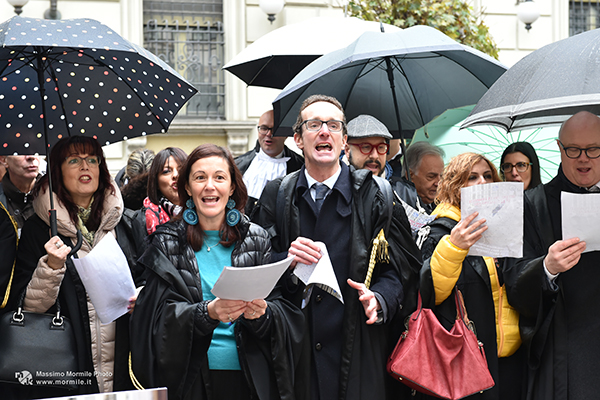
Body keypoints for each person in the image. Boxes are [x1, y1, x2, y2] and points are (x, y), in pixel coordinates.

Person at [252, 94, 422, 400]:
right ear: (297, 139)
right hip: (296, 354)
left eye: (333, 125)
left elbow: (402, 270)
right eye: (314, 124)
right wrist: (286, 260)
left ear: (344, 141)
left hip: (359, 351)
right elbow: (257, 265)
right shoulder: (276, 195)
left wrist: (380, 299)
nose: (324, 131)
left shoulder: (378, 195)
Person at [130, 144, 304, 400]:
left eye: (219, 177)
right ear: (187, 188)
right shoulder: (166, 241)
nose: (210, 186)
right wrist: (207, 313)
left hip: (249, 377)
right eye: (200, 177)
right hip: (191, 378)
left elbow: (281, 309)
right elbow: (154, 319)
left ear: (232, 186)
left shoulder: (256, 238)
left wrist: (264, 314)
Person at [8, 136, 143, 398]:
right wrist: (51, 266)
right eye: (74, 160)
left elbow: (150, 282)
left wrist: (143, 296)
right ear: (57, 172)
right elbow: (27, 308)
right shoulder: (38, 229)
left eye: (92, 159)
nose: (85, 166)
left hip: (125, 365)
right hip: (69, 369)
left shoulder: (126, 223)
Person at [503, 111, 600, 400]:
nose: (583, 158)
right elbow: (514, 282)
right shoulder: (532, 205)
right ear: (559, 148)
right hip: (565, 349)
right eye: (573, 150)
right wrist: (546, 267)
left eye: (594, 149)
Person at [419, 152, 524, 400]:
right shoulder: (441, 231)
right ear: (456, 186)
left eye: (488, 176)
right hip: (465, 362)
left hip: (511, 361)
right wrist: (454, 247)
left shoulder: (506, 227)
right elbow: (431, 295)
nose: (483, 183)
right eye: (472, 177)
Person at [235, 109, 304, 216]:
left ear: (285, 134)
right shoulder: (238, 165)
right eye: (264, 128)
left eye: (275, 130)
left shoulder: (300, 166)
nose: (269, 134)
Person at [392, 141, 445, 214]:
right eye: (431, 177)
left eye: (441, 176)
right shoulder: (397, 205)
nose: (438, 183)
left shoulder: (443, 205)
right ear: (410, 175)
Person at [0, 155, 41, 233]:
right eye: (21, 152)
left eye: (35, 151)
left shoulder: (55, 195)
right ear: (4, 160)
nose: (31, 157)